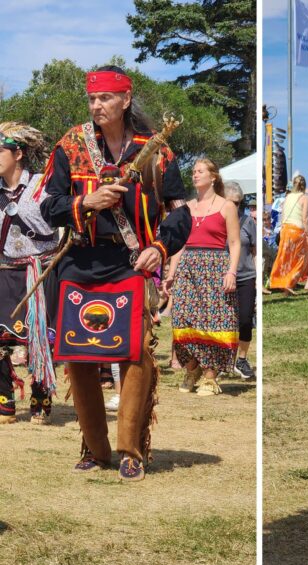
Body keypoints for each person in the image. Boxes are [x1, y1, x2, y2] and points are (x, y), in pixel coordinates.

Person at [40, 65, 190, 481]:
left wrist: (160, 249)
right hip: (79, 263)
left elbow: (180, 215)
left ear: (125, 99)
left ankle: (130, 450)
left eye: (105, 98)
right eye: (92, 99)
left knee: (136, 352)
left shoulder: (156, 151)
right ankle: (96, 447)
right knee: (79, 355)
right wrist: (85, 203)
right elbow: (48, 204)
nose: (97, 105)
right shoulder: (71, 146)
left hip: (129, 262)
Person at [0, 122, 59, 425]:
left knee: (38, 337)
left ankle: (41, 398)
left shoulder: (42, 185)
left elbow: (61, 217)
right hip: (6, 268)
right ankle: (4, 401)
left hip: (40, 270)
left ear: (18, 153)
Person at [167, 159, 240, 395]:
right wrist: (171, 273)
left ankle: (210, 376)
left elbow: (235, 243)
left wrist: (231, 271)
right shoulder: (186, 207)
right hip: (188, 266)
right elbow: (178, 244)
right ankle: (192, 368)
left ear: (213, 176)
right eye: (194, 171)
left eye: (200, 171)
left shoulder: (227, 206)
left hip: (216, 266)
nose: (195, 175)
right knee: (182, 318)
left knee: (215, 320)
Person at [224, 181, 256, 380]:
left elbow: (254, 249)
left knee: (245, 319)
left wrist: (258, 277)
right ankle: (223, 360)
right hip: (222, 278)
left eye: (238, 203)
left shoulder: (247, 221)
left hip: (246, 276)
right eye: (231, 203)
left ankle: (242, 359)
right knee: (223, 321)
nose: (235, 207)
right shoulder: (218, 222)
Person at [269, 175, 308, 295]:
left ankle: (279, 282)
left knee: (284, 258)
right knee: (301, 259)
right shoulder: (304, 198)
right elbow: (305, 218)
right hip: (297, 230)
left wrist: (282, 229)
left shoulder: (287, 197)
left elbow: (283, 215)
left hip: (285, 229)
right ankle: (289, 283)